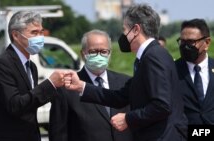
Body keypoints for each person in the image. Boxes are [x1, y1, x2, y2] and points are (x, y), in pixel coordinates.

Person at [64, 4, 187, 141]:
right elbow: (121, 96)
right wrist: (82, 86)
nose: (123, 35)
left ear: (135, 29)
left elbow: (162, 106)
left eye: (124, 29)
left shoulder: (153, 57)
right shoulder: (148, 56)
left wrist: (128, 119)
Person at [0, 11, 68, 141]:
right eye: (34, 32)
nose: (40, 37)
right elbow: (15, 105)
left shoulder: (31, 66)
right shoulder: (2, 64)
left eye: (41, 32)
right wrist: (50, 84)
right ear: (16, 35)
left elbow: (31, 103)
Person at [49, 29, 133, 141]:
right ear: (83, 54)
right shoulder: (66, 88)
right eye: (93, 52)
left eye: (103, 51)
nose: (99, 55)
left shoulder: (125, 82)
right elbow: (58, 133)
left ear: (110, 53)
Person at [175, 19, 213, 124]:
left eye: (191, 42)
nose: (185, 46)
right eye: (182, 42)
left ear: (206, 43)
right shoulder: (172, 70)